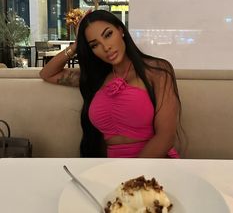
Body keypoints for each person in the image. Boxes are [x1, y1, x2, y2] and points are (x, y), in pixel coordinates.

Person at [40, 9, 182, 158]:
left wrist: (132, 178)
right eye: (95, 45)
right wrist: (76, 45)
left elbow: (166, 137)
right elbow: (47, 73)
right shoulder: (97, 78)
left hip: (154, 166)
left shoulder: (157, 70)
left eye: (108, 35)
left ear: (120, 30)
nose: (106, 47)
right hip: (112, 169)